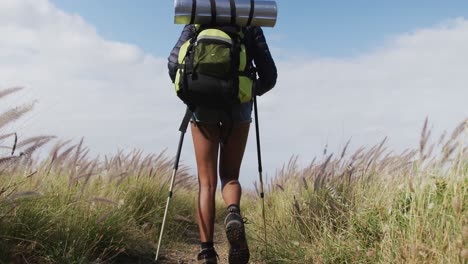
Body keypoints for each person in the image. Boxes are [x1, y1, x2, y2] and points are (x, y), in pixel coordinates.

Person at [168, 24, 277, 264]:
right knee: (230, 176)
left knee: (206, 183)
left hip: (201, 104)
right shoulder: (249, 24)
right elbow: (270, 77)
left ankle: (207, 253)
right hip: (238, 104)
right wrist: (248, 89)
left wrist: (191, 90)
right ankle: (233, 213)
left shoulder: (196, 21)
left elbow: (173, 64)